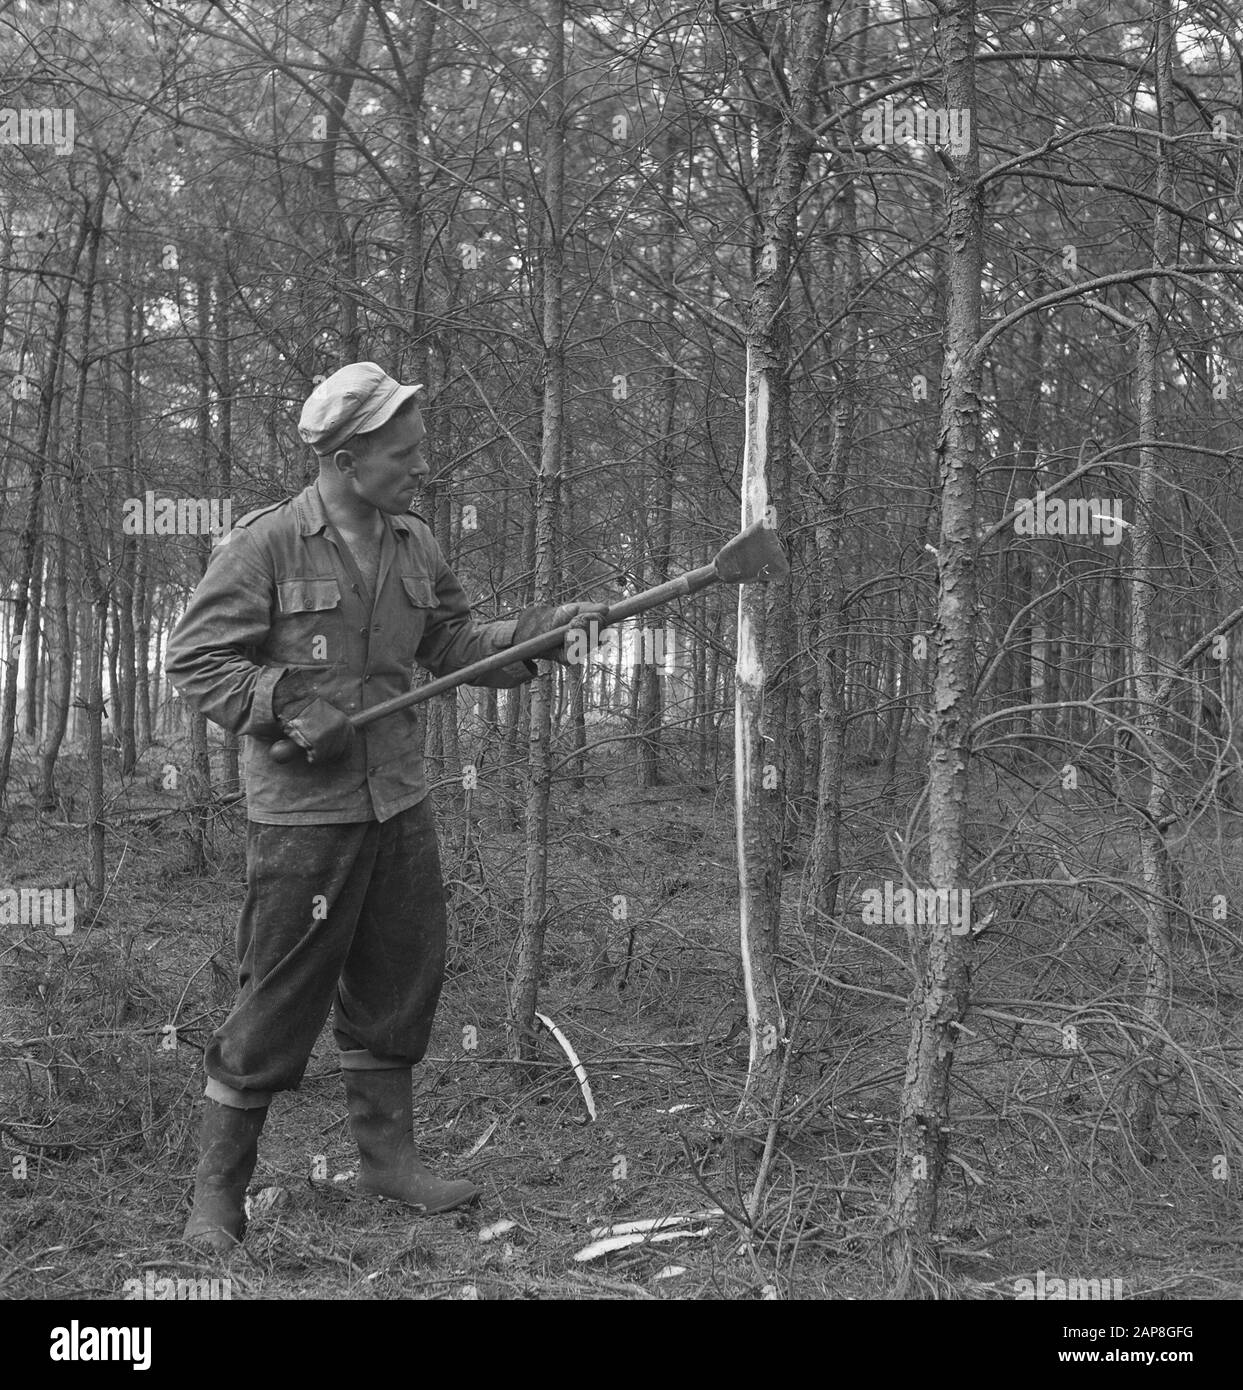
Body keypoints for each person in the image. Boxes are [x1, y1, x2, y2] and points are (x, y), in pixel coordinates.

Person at [165, 361, 604, 1252]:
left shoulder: (414, 542)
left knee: (401, 974)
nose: (416, 468)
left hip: (397, 801)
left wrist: (536, 634)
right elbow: (197, 661)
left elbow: (450, 641)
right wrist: (287, 699)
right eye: (400, 454)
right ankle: (217, 1198)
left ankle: (386, 1161)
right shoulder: (265, 544)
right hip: (303, 817)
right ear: (344, 454)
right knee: (278, 994)